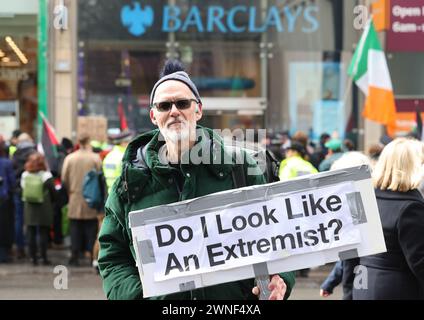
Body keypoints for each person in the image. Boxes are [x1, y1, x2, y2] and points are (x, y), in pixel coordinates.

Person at [98, 60, 295, 300]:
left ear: (198, 110)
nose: (173, 111)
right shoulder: (131, 182)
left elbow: (280, 232)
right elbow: (113, 257)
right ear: (153, 115)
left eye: (182, 103)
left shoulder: (240, 166)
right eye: (164, 105)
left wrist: (281, 278)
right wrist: (138, 296)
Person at [353, 138, 424, 300]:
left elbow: (350, 255)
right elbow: (419, 262)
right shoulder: (410, 208)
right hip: (397, 289)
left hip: (363, 285)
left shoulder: (363, 198)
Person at [61, 134, 102, 266]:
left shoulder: (70, 158)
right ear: (89, 142)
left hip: (74, 196)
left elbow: (64, 178)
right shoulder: (95, 158)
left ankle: (74, 255)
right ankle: (91, 254)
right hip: (92, 197)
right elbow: (100, 176)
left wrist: (71, 190)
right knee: (91, 228)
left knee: (75, 227)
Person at [21, 153, 57, 265]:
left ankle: (32, 257)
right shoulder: (46, 175)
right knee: (43, 232)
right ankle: (43, 257)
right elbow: (53, 192)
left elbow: (22, 188)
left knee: (30, 232)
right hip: (44, 206)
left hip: (29, 206)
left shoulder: (25, 175)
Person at [0, 139, 15, 263]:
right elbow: (12, 182)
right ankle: (3, 253)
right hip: (3, 198)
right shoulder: (6, 163)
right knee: (4, 226)